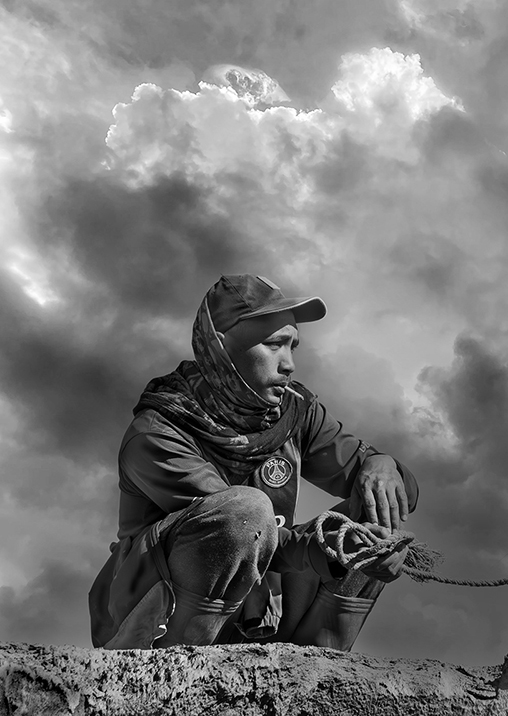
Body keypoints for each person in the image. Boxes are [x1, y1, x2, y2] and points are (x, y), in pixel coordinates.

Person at [89, 274, 418, 650]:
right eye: (274, 345)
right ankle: (165, 669)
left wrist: (381, 464)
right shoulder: (157, 431)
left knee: (374, 517)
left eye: (293, 347)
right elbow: (243, 528)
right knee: (247, 510)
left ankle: (311, 681)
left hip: (265, 602)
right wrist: (328, 550)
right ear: (221, 346)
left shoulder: (294, 411)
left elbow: (400, 489)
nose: (289, 364)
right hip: (166, 608)